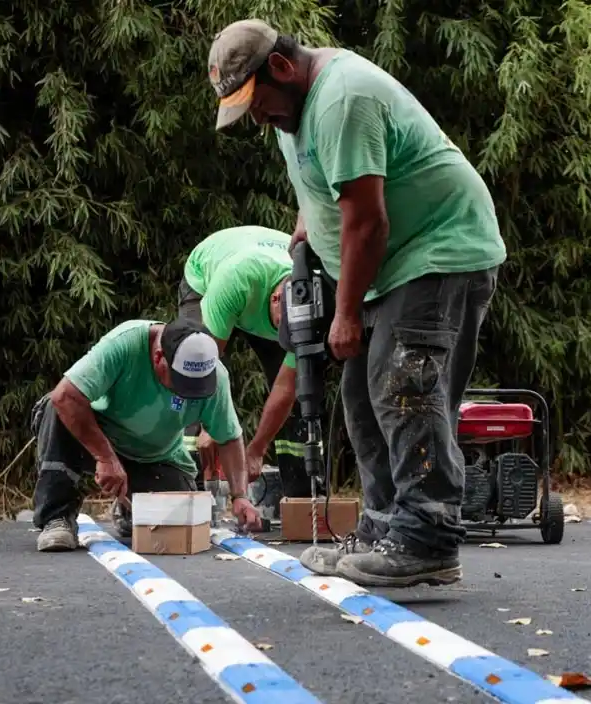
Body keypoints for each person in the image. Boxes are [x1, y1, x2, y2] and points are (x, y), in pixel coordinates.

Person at [205, 20, 507, 587]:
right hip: (392, 266)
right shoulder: (290, 110)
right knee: (361, 393)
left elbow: (367, 221)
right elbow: (324, 185)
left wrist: (344, 314)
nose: (260, 118)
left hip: (438, 250)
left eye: (258, 104)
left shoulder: (343, 97)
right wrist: (305, 229)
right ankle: (385, 528)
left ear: (281, 67)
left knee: (405, 387)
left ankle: (429, 538)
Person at [29, 317, 262, 552]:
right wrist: (105, 458)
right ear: (159, 357)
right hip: (99, 438)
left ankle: (131, 509)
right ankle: (56, 518)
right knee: (56, 407)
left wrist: (239, 496)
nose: (189, 392)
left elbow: (229, 437)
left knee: (176, 520)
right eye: (182, 383)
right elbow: (65, 396)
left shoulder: (216, 376)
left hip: (156, 456)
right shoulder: (125, 344)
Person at [177, 225, 312, 500]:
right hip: (208, 276)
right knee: (190, 370)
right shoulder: (235, 281)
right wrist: (210, 427)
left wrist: (256, 450)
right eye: (280, 328)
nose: (281, 336)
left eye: (288, 334)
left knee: (301, 394)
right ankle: (184, 489)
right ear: (275, 300)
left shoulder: (309, 303)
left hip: (264, 273)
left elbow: (285, 388)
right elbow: (207, 365)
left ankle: (300, 496)